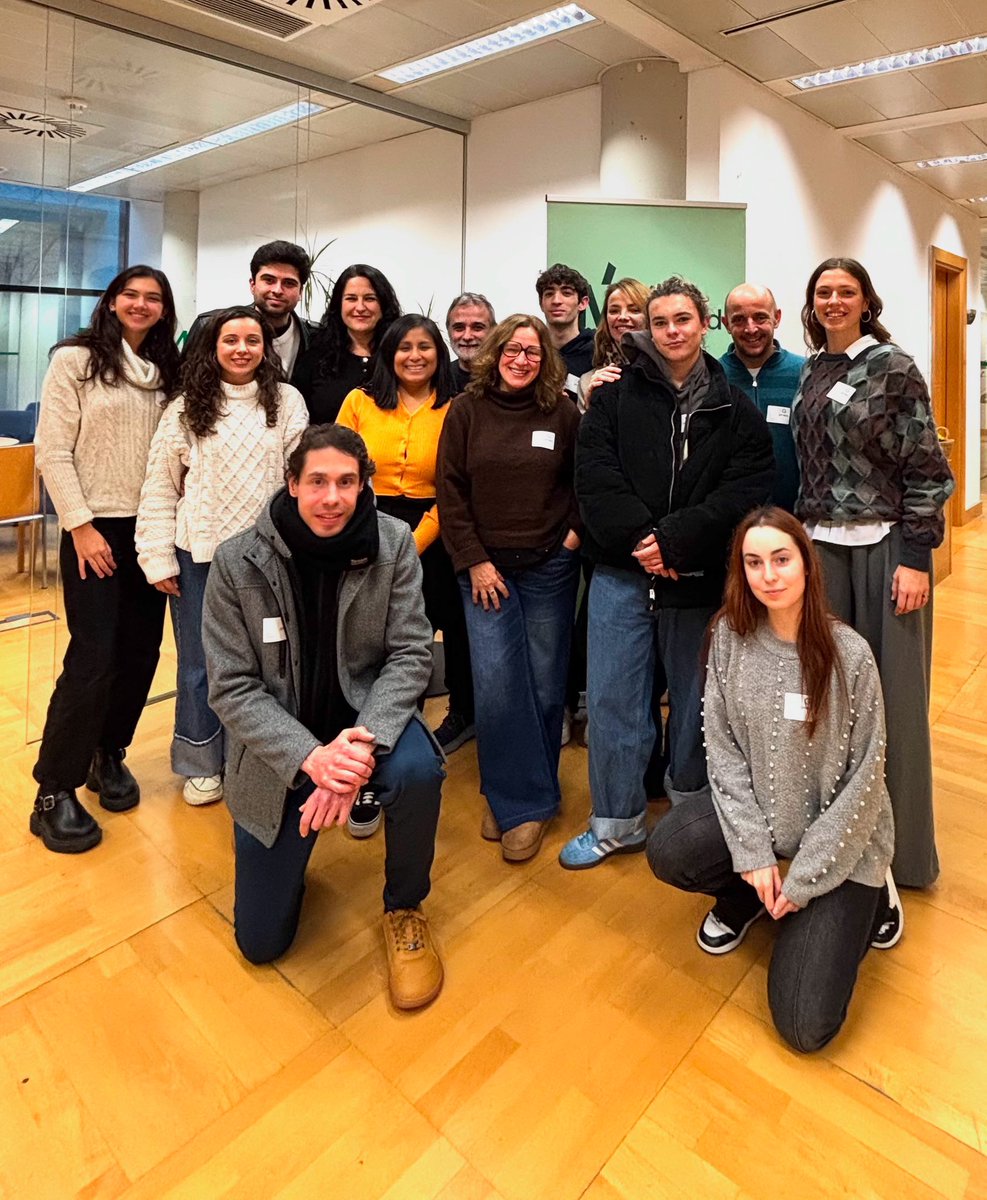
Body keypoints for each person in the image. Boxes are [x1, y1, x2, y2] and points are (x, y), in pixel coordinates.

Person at [202, 424, 445, 1010]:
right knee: (261, 943)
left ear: (365, 487)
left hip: (366, 724)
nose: (331, 497)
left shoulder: (394, 545)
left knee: (419, 772)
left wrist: (357, 752)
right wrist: (311, 759)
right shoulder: (237, 562)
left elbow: (412, 652)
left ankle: (405, 905)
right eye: (317, 482)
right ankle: (287, 849)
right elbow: (231, 688)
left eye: (346, 482)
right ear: (291, 484)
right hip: (282, 746)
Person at [648, 508, 898, 1053]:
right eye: (754, 562)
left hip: (842, 840)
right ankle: (750, 895)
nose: (769, 575)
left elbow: (866, 781)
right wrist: (752, 853)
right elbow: (725, 753)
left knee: (804, 1025)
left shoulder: (849, 654)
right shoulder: (729, 639)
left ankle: (874, 898)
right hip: (763, 820)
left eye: (782, 559)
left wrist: (805, 878)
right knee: (669, 847)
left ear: (807, 564)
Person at [559, 276, 774, 870]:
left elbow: (747, 489)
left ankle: (690, 815)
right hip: (621, 572)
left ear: (704, 324)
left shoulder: (736, 406)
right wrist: (642, 541)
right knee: (612, 701)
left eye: (683, 319)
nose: (672, 331)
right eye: (660, 322)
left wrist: (677, 541)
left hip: (699, 577)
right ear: (644, 330)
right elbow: (595, 478)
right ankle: (616, 822)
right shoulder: (612, 398)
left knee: (698, 703)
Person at [793, 257, 954, 892]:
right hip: (821, 550)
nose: (834, 301)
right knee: (832, 701)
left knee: (896, 704)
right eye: (823, 292)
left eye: (846, 292)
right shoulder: (812, 368)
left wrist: (918, 558)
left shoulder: (892, 367)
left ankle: (905, 857)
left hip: (886, 550)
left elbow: (928, 471)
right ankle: (839, 843)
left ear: (866, 301)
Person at [31, 266, 181, 853]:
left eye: (154, 298)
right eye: (132, 296)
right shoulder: (76, 360)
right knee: (93, 654)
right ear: (113, 302)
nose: (142, 305)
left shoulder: (168, 372)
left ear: (165, 310)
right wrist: (81, 526)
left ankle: (106, 751)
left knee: (142, 649)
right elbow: (52, 450)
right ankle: (53, 788)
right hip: (94, 528)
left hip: (151, 528)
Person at [136, 306, 309, 806]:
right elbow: (160, 486)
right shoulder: (186, 407)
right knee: (200, 663)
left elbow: (299, 482)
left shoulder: (288, 402)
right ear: (213, 347)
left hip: (268, 557)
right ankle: (201, 759)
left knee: (270, 662)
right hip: (199, 555)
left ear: (265, 348)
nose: (241, 349)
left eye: (252, 341)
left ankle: (260, 755)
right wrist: (157, 556)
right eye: (230, 340)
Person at [437, 314, 581, 862]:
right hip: (485, 572)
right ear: (495, 353)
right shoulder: (467, 411)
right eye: (513, 349)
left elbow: (582, 482)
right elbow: (450, 489)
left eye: (533, 352)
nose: (522, 359)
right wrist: (473, 560)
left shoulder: (563, 412)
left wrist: (572, 539)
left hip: (549, 568)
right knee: (498, 687)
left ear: (545, 360)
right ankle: (517, 796)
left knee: (545, 688)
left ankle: (524, 799)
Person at [337, 314, 475, 792]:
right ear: (387, 354)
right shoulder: (359, 402)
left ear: (439, 354)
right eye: (404, 347)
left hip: (440, 527)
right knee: (378, 633)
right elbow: (343, 469)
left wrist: (412, 545)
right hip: (368, 526)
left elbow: (455, 485)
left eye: (425, 347)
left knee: (449, 625)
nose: (414, 356)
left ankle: (462, 713)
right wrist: (373, 536)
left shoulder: (457, 406)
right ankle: (386, 717)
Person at [567, 277, 651, 746]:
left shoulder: (667, 369)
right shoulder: (588, 376)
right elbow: (587, 453)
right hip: (604, 521)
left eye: (632, 309)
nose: (622, 316)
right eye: (614, 308)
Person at [719, 283, 803, 513]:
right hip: (729, 520)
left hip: (794, 518)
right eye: (739, 320)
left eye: (760, 317)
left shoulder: (805, 373)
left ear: (777, 318)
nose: (751, 328)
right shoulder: (712, 378)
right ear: (725, 324)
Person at [184, 240, 315, 377]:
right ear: (252, 285)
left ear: (300, 292)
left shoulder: (316, 338)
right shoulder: (209, 325)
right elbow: (185, 381)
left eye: (289, 283)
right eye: (269, 280)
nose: (277, 290)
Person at [292, 264, 401, 424]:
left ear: (383, 305)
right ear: (339, 305)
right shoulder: (315, 358)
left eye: (370, 298)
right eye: (351, 298)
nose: (360, 307)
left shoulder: (400, 357)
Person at [535, 263, 595, 398]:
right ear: (541, 304)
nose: (556, 300)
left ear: (583, 303)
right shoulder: (531, 351)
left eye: (566, 293)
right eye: (549, 294)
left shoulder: (597, 352)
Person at [446, 292, 495, 393]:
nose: (467, 336)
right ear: (448, 331)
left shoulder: (506, 379)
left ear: (493, 331)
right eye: (459, 328)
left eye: (477, 328)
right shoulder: (439, 379)